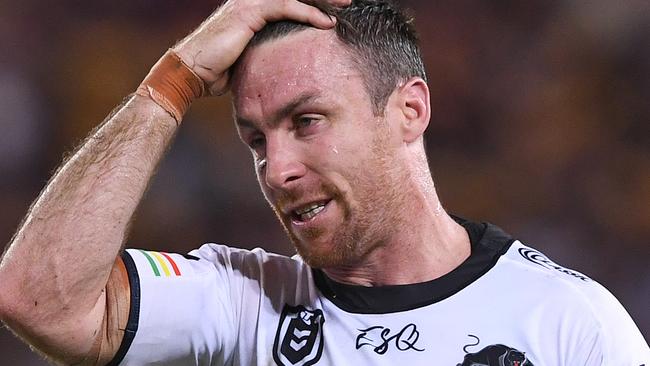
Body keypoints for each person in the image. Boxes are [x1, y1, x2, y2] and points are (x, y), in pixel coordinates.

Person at [0, 0, 648, 365]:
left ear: (408, 110)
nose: (276, 170)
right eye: (256, 140)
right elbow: (38, 297)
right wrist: (174, 81)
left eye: (306, 121)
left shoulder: (570, 326)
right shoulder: (244, 304)